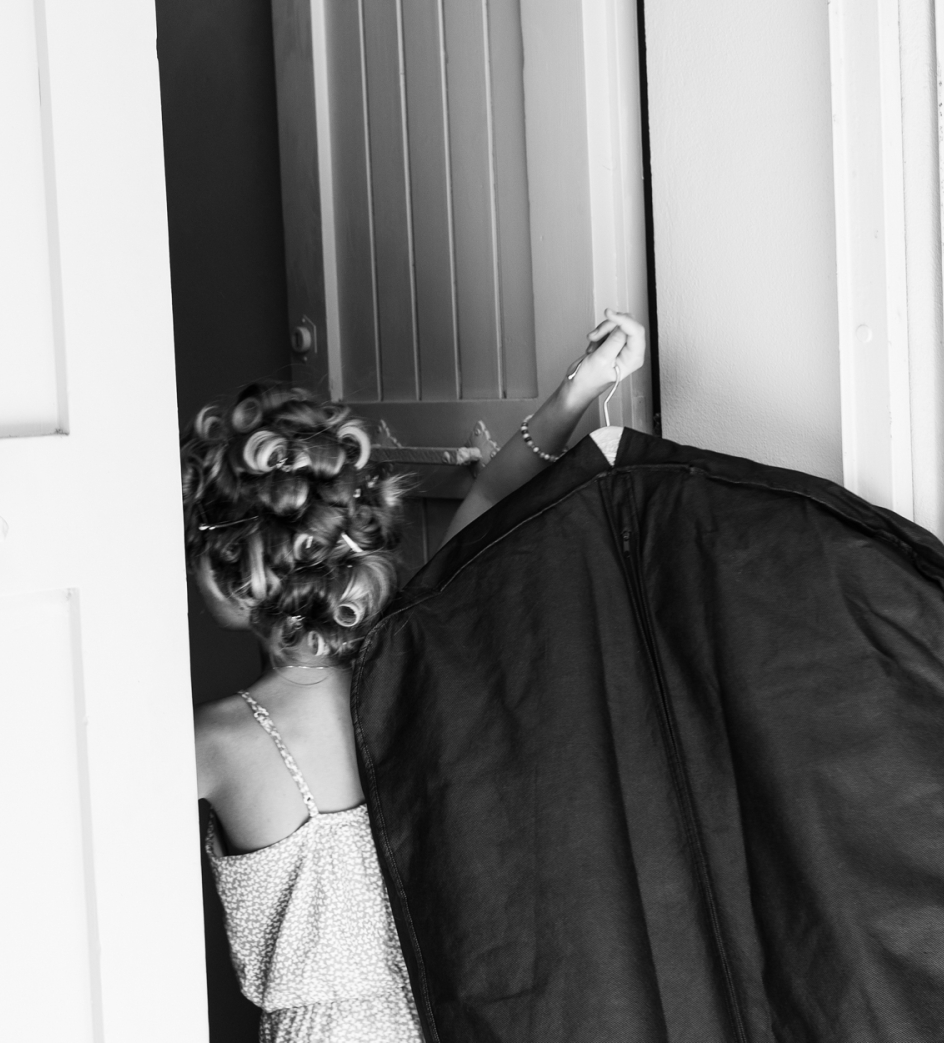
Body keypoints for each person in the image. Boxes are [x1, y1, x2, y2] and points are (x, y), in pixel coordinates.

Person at [182, 311, 646, 1042]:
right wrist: (581, 388)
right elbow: (494, 498)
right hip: (453, 1014)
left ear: (228, 581)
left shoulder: (215, 740)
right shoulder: (412, 651)